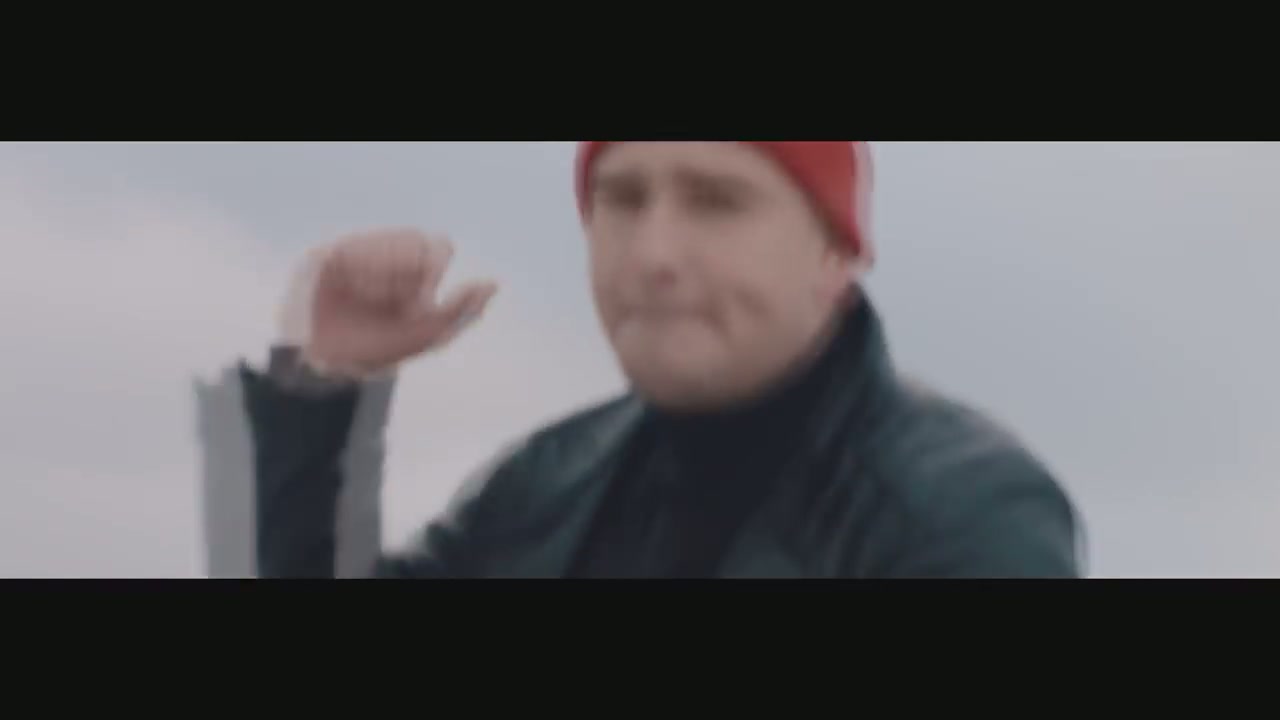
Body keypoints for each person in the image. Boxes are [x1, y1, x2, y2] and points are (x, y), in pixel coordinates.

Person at [198, 141, 1084, 579]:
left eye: (717, 201)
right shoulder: (547, 480)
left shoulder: (960, 518)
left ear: (835, 255)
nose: (653, 253)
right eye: (622, 199)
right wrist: (322, 382)